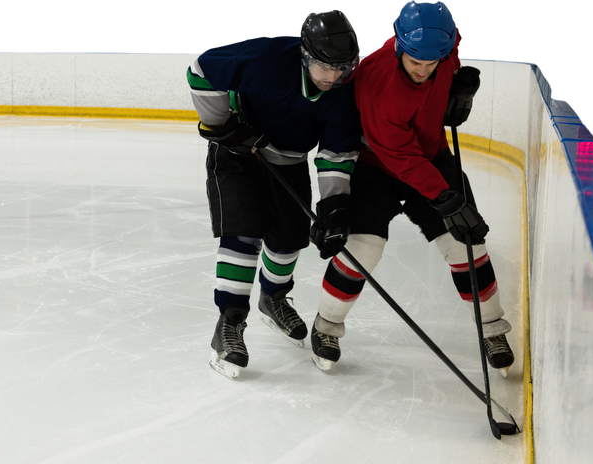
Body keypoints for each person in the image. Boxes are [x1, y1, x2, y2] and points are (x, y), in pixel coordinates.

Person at [309, 0, 515, 374]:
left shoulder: (442, 48)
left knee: (465, 242)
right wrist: (446, 199)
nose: (423, 70)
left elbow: (453, 35)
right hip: (377, 165)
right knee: (363, 248)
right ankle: (326, 327)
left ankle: (492, 328)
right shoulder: (378, 82)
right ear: (401, 46)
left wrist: (456, 92)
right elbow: (400, 156)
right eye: (415, 61)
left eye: (431, 63)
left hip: (432, 156)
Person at [187, 8, 363, 379]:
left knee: (288, 240)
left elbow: (336, 153)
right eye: (326, 67)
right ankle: (229, 323)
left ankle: (273, 298)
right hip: (238, 150)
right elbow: (202, 71)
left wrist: (334, 206)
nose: (334, 76)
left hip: (290, 158)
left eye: (344, 67)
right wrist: (221, 125)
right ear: (305, 55)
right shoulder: (265, 56)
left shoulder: (345, 93)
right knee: (244, 232)